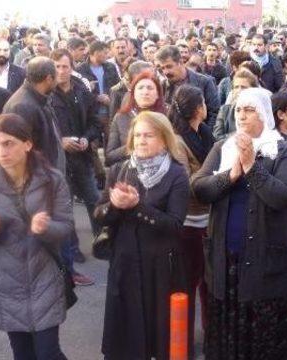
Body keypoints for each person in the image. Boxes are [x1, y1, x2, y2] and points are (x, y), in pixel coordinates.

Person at [192, 87, 287, 360]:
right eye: (238, 109)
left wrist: (252, 166)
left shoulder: (283, 151)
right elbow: (199, 188)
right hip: (225, 256)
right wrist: (230, 175)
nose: (241, 115)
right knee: (226, 323)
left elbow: (283, 196)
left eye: (249, 109)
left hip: (265, 258)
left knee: (262, 328)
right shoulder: (223, 147)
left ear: (264, 114)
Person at [0, 113, 74, 360]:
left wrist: (44, 228)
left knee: (48, 353)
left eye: (8, 143)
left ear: (27, 143)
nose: (1, 152)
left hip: (44, 276)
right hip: (6, 283)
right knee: (23, 354)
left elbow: (66, 226)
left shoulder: (52, 180)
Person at [95, 111, 190, 360]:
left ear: (164, 139)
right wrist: (114, 205)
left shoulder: (177, 174)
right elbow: (100, 215)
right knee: (125, 337)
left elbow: (175, 226)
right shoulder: (120, 168)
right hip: (124, 262)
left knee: (159, 336)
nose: (141, 140)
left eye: (148, 135)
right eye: (137, 135)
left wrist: (137, 207)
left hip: (160, 267)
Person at [167, 84, 215, 349]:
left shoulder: (204, 132)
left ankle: (212, 333)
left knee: (210, 282)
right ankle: (181, 341)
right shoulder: (177, 141)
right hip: (188, 222)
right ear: (199, 108)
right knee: (187, 282)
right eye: (205, 103)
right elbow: (184, 185)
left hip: (209, 218)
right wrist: (215, 176)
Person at [49, 49, 102, 267]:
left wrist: (88, 139)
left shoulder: (82, 90)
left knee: (94, 199)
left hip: (83, 156)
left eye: (65, 66)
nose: (61, 71)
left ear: (72, 67)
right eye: (57, 67)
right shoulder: (46, 95)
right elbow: (40, 129)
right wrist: (60, 141)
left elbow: (95, 122)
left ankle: (101, 240)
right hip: (59, 161)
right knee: (66, 205)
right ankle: (72, 248)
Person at [3, 56, 65, 171]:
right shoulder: (22, 107)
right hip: (37, 180)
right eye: (56, 76)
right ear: (49, 79)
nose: (58, 80)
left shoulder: (40, 99)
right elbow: (21, 151)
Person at [106, 70, 165, 166]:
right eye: (140, 88)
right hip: (130, 173)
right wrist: (134, 145)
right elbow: (110, 157)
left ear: (158, 94)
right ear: (133, 94)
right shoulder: (121, 117)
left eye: (150, 88)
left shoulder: (167, 115)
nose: (145, 92)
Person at [156, 45, 220, 127]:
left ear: (180, 62)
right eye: (163, 68)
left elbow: (214, 113)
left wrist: (205, 135)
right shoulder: (163, 87)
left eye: (169, 66)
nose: (166, 72)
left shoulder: (204, 82)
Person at [212, 68, 259, 140]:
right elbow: (216, 137)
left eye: (243, 87)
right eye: (236, 87)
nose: (239, 90)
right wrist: (241, 134)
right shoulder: (225, 110)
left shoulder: (260, 111)